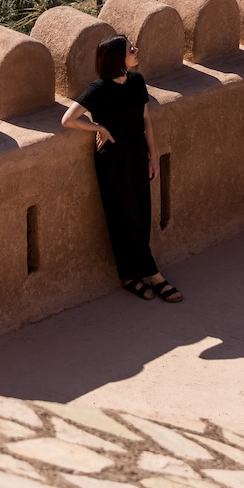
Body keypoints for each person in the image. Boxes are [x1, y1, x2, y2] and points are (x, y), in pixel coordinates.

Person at [62, 34, 183, 302]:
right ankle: (155, 276)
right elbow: (68, 119)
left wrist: (153, 157)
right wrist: (99, 127)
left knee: (140, 213)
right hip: (112, 159)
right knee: (126, 216)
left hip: (137, 154)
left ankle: (129, 277)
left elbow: (145, 121)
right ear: (118, 57)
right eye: (131, 49)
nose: (136, 50)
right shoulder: (99, 88)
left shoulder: (137, 81)